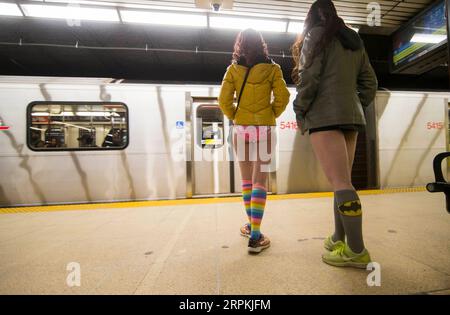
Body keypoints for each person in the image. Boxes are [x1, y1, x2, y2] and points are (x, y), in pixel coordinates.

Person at [292, 0, 377, 268]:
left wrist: (300, 110)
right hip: (350, 117)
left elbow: (309, 78)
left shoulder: (314, 36)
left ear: (311, 17)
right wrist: (354, 103)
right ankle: (339, 237)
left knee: (341, 183)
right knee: (342, 181)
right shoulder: (353, 40)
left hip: (325, 116)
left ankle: (356, 250)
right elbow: (370, 82)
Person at [218, 28, 290, 253]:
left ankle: (251, 227)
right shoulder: (273, 69)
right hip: (265, 128)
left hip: (241, 128)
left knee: (247, 181)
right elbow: (284, 97)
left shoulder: (233, 70)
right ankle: (256, 236)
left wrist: (235, 116)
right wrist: (272, 114)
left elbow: (223, 100)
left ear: (240, 45)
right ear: (262, 45)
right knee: (260, 181)